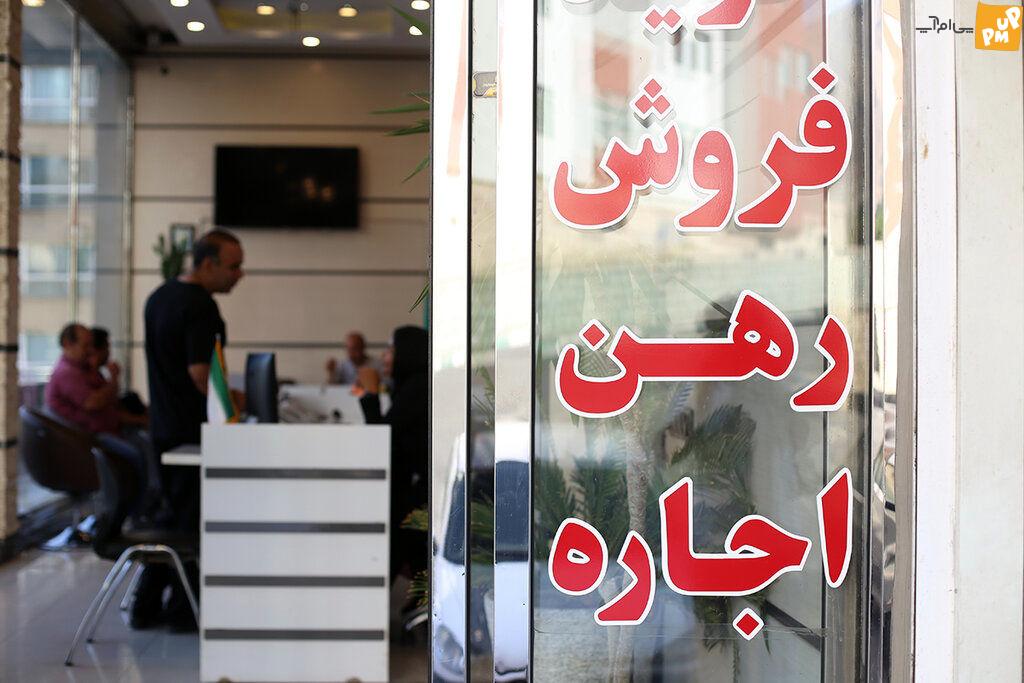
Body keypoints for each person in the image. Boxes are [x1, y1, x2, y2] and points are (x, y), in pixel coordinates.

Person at [135, 228, 244, 631]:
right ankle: (183, 613)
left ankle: (146, 607)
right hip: (191, 433)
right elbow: (201, 374)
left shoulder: (159, 297)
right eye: (234, 266)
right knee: (192, 523)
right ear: (207, 264)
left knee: (175, 520)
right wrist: (236, 404)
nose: (240, 274)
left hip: (163, 428)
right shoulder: (201, 307)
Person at [353, 326, 428, 586]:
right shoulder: (412, 386)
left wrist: (371, 394)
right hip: (411, 489)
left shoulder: (418, 388)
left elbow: (381, 440)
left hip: (415, 496)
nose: (384, 356)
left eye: (390, 350)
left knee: (394, 543)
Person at [45, 324, 120, 436]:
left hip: (106, 431)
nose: (91, 350)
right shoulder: (67, 373)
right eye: (85, 346)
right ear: (67, 344)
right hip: (91, 438)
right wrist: (114, 379)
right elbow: (93, 403)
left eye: (91, 345)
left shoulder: (83, 369)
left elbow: (111, 399)